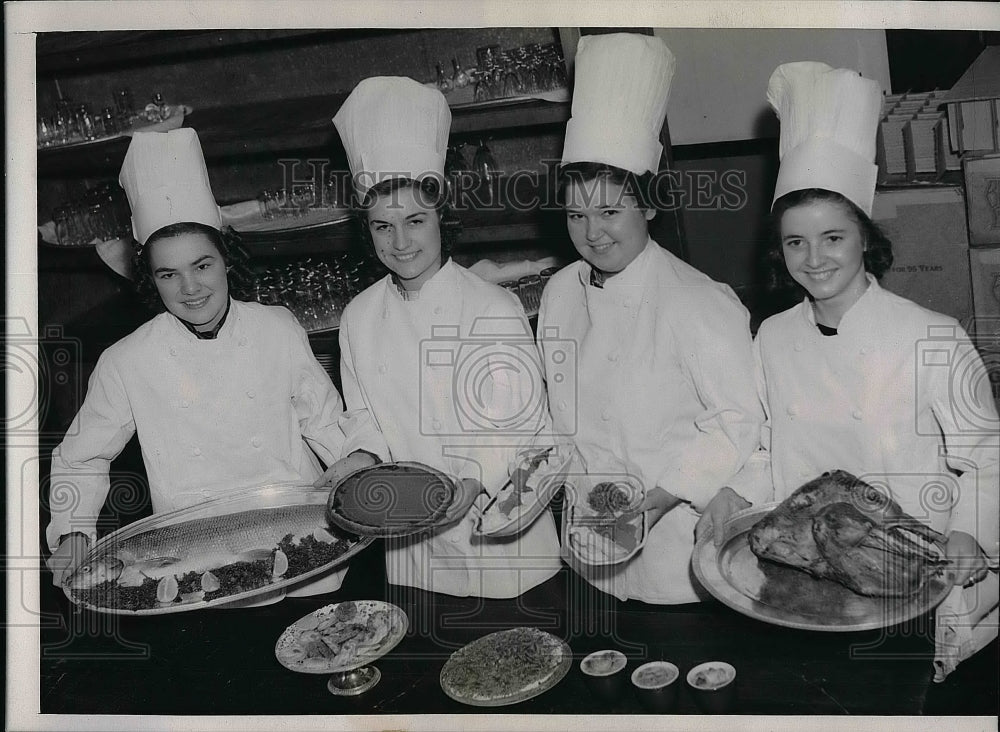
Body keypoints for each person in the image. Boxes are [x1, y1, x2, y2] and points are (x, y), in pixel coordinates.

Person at [704, 62, 998, 675]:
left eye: (832, 237)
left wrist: (971, 533)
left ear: (865, 237)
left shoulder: (932, 335)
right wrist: (735, 490)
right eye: (795, 243)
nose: (814, 259)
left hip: (908, 567)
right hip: (807, 569)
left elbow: (987, 455)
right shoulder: (773, 336)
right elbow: (768, 443)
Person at [46, 129, 355, 597]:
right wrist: (72, 532)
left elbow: (326, 422)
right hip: (193, 557)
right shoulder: (127, 361)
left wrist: (358, 474)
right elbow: (80, 457)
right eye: (169, 274)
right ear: (151, 279)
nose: (190, 289)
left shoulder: (277, 326)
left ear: (226, 260)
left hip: (305, 538)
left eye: (202, 265)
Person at [537, 33, 764, 604]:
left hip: (676, 553)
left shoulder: (697, 301)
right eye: (576, 215)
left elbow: (738, 420)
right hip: (588, 544)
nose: (593, 233)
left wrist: (665, 494)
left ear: (649, 206)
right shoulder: (560, 293)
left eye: (611, 211)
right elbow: (562, 413)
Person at [316, 76, 562, 598]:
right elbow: (365, 416)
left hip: (501, 535)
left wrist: (473, 479)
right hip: (412, 550)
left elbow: (521, 425)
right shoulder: (359, 316)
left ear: (441, 218)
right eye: (383, 226)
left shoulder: (493, 308)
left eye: (415, 220)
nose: (401, 241)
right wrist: (360, 456)